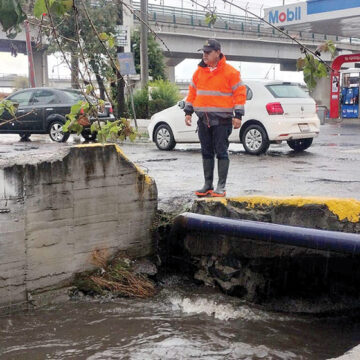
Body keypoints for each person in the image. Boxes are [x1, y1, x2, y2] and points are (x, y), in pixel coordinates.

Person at [184, 39, 246, 197]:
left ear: (218, 52)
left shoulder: (231, 72)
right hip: (203, 121)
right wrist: (188, 112)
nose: (204, 55)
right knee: (206, 152)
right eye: (203, 52)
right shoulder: (198, 73)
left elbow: (240, 94)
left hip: (222, 121)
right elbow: (192, 94)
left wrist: (238, 115)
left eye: (208, 52)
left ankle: (221, 186)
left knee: (221, 152)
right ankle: (208, 185)